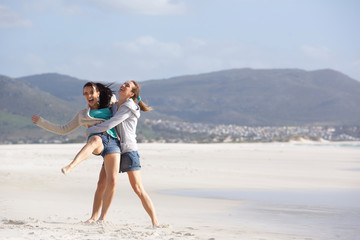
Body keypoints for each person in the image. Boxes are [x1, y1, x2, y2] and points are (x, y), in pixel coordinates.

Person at [31, 82, 121, 221]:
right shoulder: (82, 114)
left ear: (98, 93)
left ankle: (100, 218)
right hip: (97, 141)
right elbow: (63, 129)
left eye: (91, 92)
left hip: (113, 142)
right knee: (95, 140)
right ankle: (71, 166)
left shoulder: (110, 103)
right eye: (85, 93)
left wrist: (136, 98)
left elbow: (126, 103)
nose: (88, 95)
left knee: (108, 182)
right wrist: (42, 122)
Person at [85, 80, 159, 227]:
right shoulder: (115, 105)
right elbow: (105, 102)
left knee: (137, 188)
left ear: (131, 93)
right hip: (115, 149)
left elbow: (112, 122)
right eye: (123, 84)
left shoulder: (129, 107)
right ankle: (95, 217)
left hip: (129, 150)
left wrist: (90, 130)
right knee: (101, 184)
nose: (123, 85)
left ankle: (155, 221)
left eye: (127, 86)